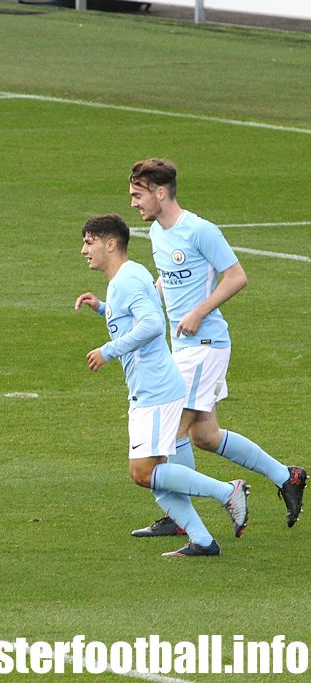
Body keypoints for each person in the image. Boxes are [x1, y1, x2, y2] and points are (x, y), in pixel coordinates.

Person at [128, 158, 306, 536]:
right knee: (204, 435)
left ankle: (182, 520)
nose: (134, 203)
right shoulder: (159, 233)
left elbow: (237, 276)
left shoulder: (199, 230)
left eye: (138, 195)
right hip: (184, 346)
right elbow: (168, 279)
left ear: (161, 193)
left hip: (205, 344)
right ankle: (286, 476)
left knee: (169, 436)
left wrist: (198, 311)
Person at [75, 214, 251, 557]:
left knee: (143, 472)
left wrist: (108, 351)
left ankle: (227, 491)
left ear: (110, 243)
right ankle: (201, 540)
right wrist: (102, 309)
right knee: (154, 474)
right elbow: (137, 314)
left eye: (89, 241)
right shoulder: (129, 275)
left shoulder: (127, 279)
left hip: (155, 389)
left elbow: (153, 324)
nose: (83, 250)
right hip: (149, 387)